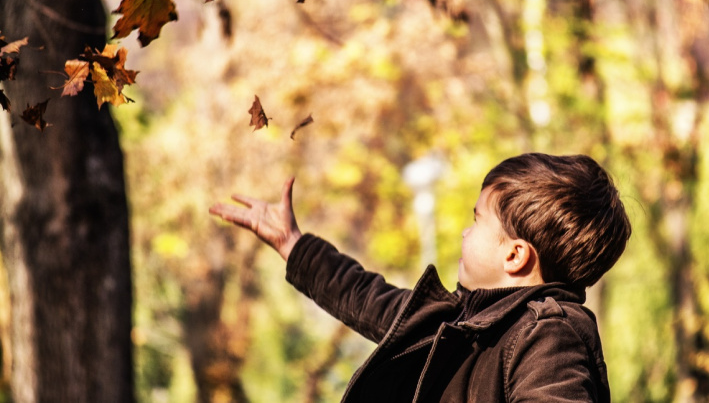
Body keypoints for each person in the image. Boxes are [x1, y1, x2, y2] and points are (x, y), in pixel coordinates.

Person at [209, 153, 631, 402]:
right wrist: (293, 244)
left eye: (477, 220)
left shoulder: (548, 333)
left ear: (515, 255)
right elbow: (368, 298)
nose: (466, 231)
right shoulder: (465, 321)